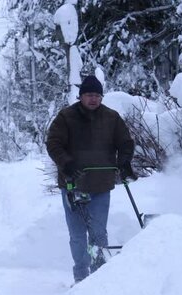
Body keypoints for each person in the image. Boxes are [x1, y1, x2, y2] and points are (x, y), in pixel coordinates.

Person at [46, 75, 136, 283]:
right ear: (81, 96)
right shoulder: (66, 117)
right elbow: (53, 143)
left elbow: (125, 143)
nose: (93, 99)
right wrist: (67, 163)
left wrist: (124, 162)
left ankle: (98, 279)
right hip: (73, 184)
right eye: (89, 95)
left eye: (97, 95)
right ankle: (81, 276)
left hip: (101, 185)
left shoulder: (112, 118)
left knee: (98, 234)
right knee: (77, 236)